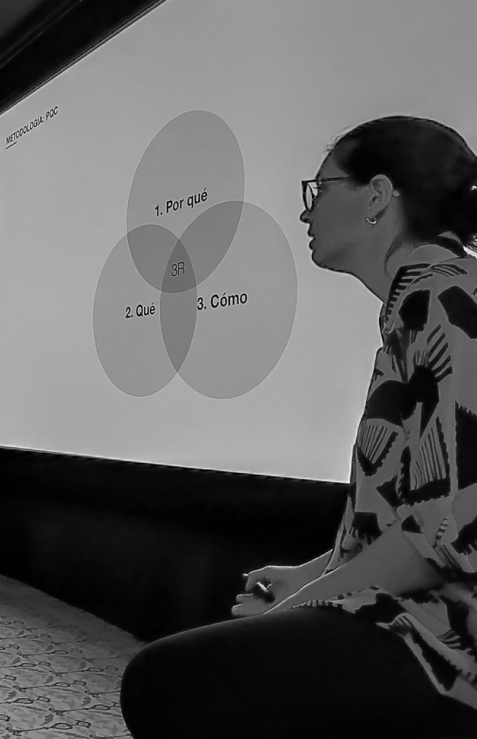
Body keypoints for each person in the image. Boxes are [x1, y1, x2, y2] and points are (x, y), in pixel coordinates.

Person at [119, 115, 477, 738]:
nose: (307, 212)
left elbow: (438, 538)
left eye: (321, 188)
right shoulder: (422, 304)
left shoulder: (445, 301)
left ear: (377, 195)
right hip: (418, 616)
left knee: (169, 683)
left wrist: (302, 602)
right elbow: (403, 520)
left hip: (449, 646)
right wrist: (311, 575)